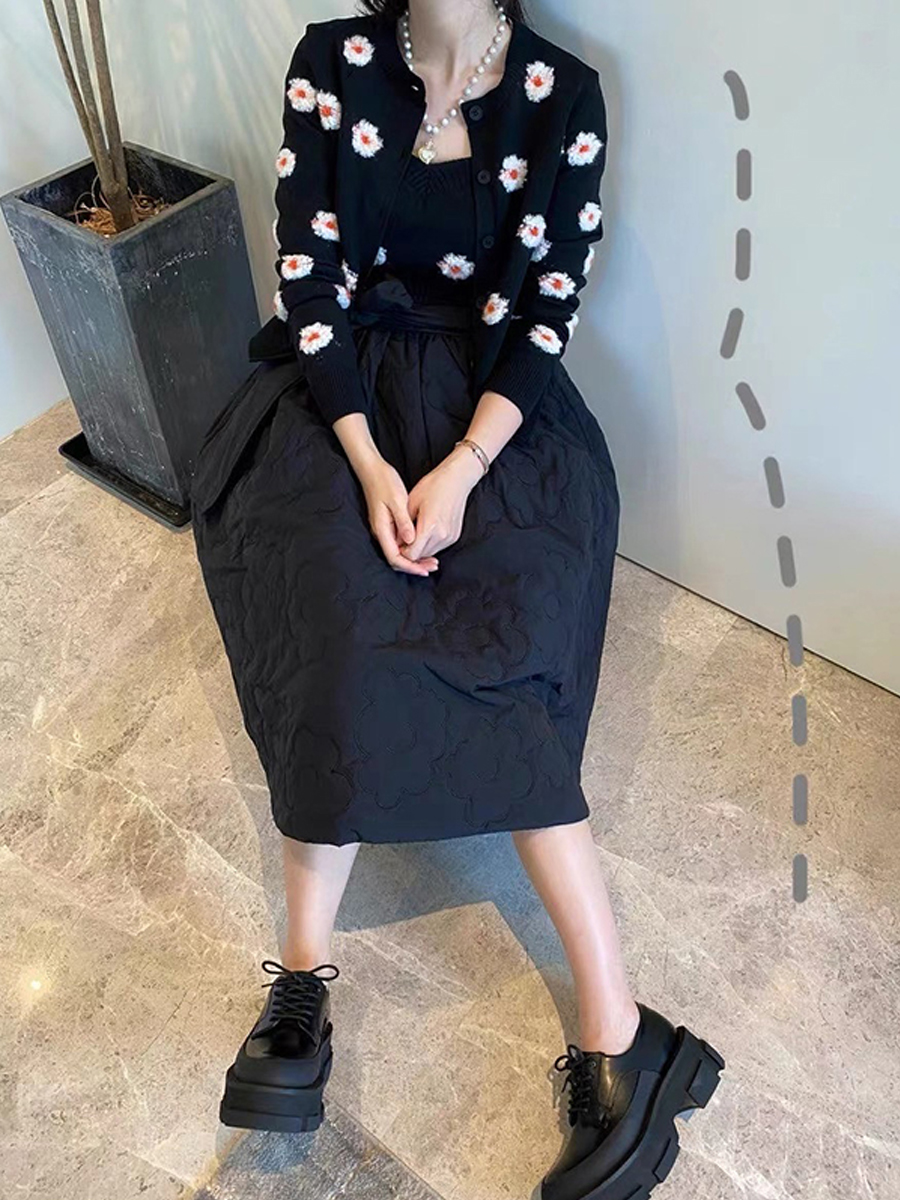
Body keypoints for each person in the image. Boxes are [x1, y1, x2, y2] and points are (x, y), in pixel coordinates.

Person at [188, 2, 724, 1197]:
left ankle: (623, 1033)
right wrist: (373, 463)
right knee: (334, 636)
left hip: (495, 418)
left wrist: (465, 468)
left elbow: (547, 305)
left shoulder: (563, 95)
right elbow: (307, 280)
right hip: (338, 403)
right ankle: (299, 986)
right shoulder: (331, 62)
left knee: (505, 651)